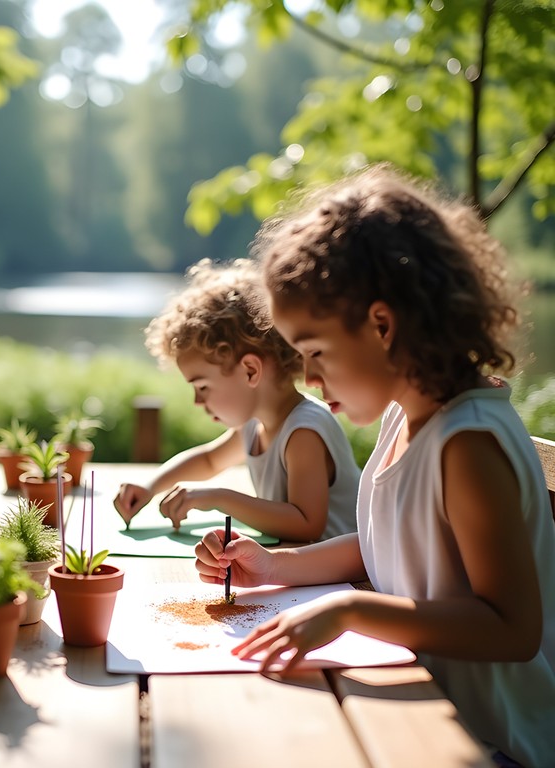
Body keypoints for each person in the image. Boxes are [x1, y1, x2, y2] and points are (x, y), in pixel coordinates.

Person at [196, 165, 555, 767]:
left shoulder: (466, 444)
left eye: (314, 353)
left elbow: (512, 628)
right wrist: (273, 565)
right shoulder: (402, 417)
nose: (307, 378)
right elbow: (386, 546)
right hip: (421, 700)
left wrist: (351, 608)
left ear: (382, 326)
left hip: (494, 741)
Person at [114, 258, 359, 542]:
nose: (197, 401)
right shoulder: (255, 424)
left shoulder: (304, 430)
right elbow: (209, 460)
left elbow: (306, 525)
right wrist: (150, 487)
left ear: (250, 370)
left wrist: (220, 498)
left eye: (203, 386)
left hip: (343, 576)